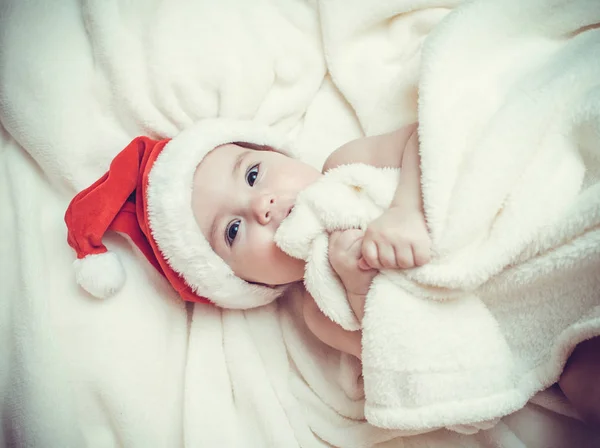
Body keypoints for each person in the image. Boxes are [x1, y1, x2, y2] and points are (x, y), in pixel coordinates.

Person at [64, 118, 599, 426]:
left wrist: (406, 211)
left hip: (519, 224)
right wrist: (362, 287)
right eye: (231, 232)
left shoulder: (346, 165)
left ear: (279, 153)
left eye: (253, 174)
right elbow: (402, 349)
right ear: (246, 285)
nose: (262, 206)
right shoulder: (318, 314)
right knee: (580, 381)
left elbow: (426, 136)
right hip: (512, 312)